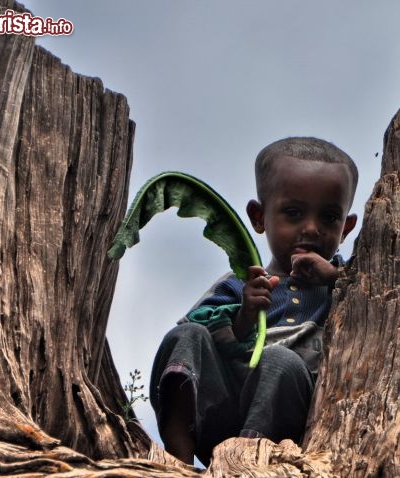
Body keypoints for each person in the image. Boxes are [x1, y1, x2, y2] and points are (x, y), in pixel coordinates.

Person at [150, 137, 358, 466]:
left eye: (329, 218)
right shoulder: (240, 284)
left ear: (346, 227)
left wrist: (335, 277)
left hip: (291, 428)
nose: (311, 228)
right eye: (293, 213)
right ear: (259, 217)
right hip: (222, 410)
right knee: (185, 336)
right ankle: (178, 463)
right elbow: (199, 340)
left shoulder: (351, 283)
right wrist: (244, 316)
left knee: (281, 360)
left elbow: (388, 305)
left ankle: (250, 467)